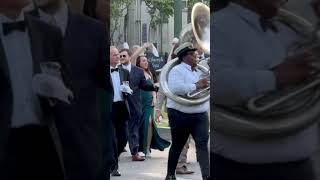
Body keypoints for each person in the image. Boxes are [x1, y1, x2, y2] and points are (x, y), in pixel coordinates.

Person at [212, 1, 318, 180]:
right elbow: (215, 84)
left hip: (301, 167)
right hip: (240, 171)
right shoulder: (217, 26)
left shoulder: (295, 28)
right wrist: (275, 78)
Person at [33, 0, 111, 179]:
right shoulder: (15, 26)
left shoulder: (95, 31)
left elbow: (107, 91)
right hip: (28, 157)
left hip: (83, 157)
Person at [0, 0, 69, 179]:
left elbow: (67, 88)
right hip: (5, 143)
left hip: (43, 141)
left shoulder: (48, 33)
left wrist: (56, 94)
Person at [165, 42, 210, 180]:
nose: (196, 56)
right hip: (180, 114)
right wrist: (197, 85)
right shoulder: (176, 70)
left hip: (200, 114)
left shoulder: (200, 71)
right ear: (185, 57)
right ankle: (170, 174)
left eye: (196, 54)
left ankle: (207, 176)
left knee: (202, 146)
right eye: (193, 54)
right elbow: (176, 89)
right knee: (177, 145)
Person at [119, 48, 157, 161]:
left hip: (134, 104)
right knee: (120, 130)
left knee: (134, 129)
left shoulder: (138, 71)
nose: (121, 58)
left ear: (129, 57)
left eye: (124, 56)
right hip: (119, 104)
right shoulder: (117, 70)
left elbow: (144, 85)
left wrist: (154, 87)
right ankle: (117, 150)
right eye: (120, 56)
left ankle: (135, 153)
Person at [136, 55, 170, 158]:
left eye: (146, 61)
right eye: (143, 61)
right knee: (141, 124)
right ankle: (139, 147)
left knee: (150, 122)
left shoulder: (149, 73)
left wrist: (154, 98)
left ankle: (147, 147)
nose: (146, 62)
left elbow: (153, 88)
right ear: (139, 63)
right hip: (139, 101)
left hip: (149, 102)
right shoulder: (136, 72)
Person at [108, 46, 130, 177]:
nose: (118, 57)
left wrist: (127, 90)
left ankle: (111, 159)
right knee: (112, 139)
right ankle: (113, 166)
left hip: (121, 107)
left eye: (118, 55)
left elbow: (127, 86)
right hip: (108, 108)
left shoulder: (124, 71)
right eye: (115, 55)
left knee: (123, 137)